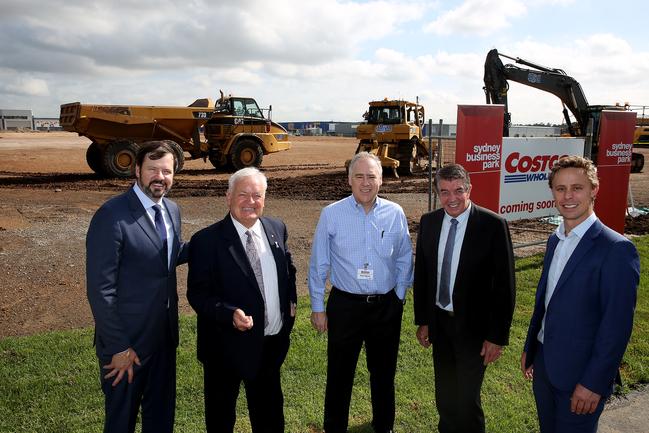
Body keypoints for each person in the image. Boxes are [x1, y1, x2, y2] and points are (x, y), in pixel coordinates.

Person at [521, 156, 640, 433]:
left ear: (594, 190)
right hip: (545, 366)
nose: (568, 196)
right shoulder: (555, 239)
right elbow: (546, 299)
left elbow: (617, 327)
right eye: (560, 189)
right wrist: (532, 347)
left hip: (581, 378)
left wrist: (594, 383)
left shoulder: (616, 250)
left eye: (577, 188)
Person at [86, 140, 188, 433]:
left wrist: (216, 242)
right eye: (153, 170)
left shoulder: (171, 209)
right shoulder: (112, 215)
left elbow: (167, 254)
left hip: (163, 340)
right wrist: (118, 346)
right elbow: (100, 289)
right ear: (137, 170)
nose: (161, 177)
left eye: (167, 171)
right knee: (121, 421)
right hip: (126, 344)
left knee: (160, 418)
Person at [308, 152, 413, 433]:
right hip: (345, 306)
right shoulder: (332, 213)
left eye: (371, 177)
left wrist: (399, 295)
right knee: (340, 374)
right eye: (359, 176)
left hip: (385, 306)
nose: (365, 183)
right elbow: (319, 262)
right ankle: (334, 427)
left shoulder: (395, 213)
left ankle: (384, 426)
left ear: (381, 180)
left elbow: (404, 257)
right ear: (349, 180)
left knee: (383, 374)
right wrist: (318, 307)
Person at [187, 167, 297, 433]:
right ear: (228, 197)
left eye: (257, 195)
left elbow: (288, 270)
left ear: (265, 198)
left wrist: (290, 304)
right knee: (221, 418)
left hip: (269, 345)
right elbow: (197, 294)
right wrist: (228, 313)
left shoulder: (276, 228)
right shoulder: (206, 241)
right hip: (225, 347)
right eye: (243, 194)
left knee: (270, 416)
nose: (250, 201)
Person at [413, 163, 516, 433]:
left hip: (475, 329)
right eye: (445, 192)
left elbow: (505, 286)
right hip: (440, 324)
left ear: (469, 190)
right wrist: (423, 320)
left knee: (467, 398)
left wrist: (497, 336)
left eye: (459, 190)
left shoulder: (493, 225)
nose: (452, 198)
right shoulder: (430, 222)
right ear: (437, 192)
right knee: (445, 393)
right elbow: (423, 275)